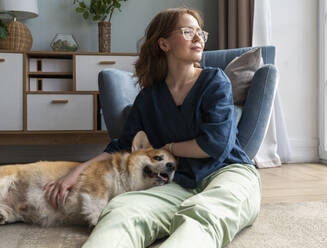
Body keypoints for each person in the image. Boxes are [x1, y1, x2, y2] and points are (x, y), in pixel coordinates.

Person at [44, 7, 261, 248]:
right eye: (188, 31)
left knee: (203, 214)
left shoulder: (215, 80)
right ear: (164, 44)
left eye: (201, 32)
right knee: (121, 211)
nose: (199, 38)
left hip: (227, 172)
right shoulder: (149, 97)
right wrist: (77, 172)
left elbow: (215, 144)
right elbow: (122, 146)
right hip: (178, 182)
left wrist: (169, 147)